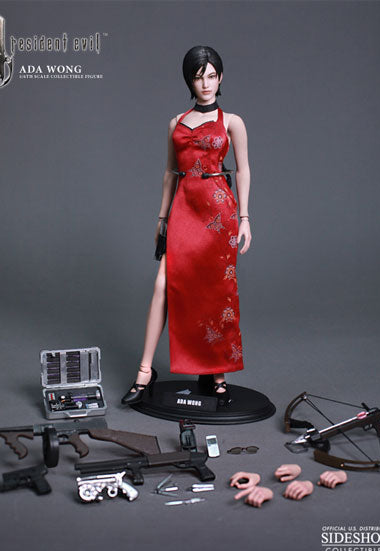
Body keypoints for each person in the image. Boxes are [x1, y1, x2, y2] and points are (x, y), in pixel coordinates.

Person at [121, 46, 252, 406]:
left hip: (218, 212)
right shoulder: (175, 122)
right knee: (163, 285)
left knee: (216, 291)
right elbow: (170, 172)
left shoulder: (232, 122)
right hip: (184, 210)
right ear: (189, 81)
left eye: (211, 76)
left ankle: (216, 373)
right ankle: (145, 371)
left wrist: (245, 218)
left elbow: (243, 170)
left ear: (220, 78)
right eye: (198, 77)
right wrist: (161, 219)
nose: (206, 83)